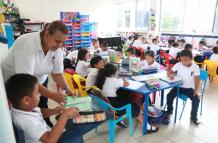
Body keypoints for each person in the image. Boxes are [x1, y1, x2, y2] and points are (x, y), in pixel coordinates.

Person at [1, 20, 74, 126]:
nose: (60, 45)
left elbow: (57, 73)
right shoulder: (28, 44)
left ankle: (46, 126)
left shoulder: (57, 49)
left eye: (63, 42)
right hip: (17, 83)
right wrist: (52, 95)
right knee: (25, 115)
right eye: (57, 41)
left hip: (38, 80)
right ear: (46, 34)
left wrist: (67, 90)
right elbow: (26, 81)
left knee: (41, 108)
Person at [6, 74, 112, 143]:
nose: (39, 95)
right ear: (26, 100)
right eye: (37, 93)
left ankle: (100, 115)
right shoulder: (26, 121)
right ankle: (106, 115)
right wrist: (65, 115)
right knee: (78, 127)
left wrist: (53, 111)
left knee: (74, 121)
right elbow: (50, 140)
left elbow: (40, 113)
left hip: (49, 134)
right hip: (52, 139)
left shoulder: (23, 108)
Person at [95, 63, 159, 133]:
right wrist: (124, 79)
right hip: (114, 108)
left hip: (106, 104)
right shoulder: (114, 81)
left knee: (125, 94)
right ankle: (147, 127)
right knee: (134, 106)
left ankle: (136, 113)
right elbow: (127, 84)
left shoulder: (101, 79)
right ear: (112, 73)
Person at [166, 50, 200, 125]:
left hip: (189, 89)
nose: (183, 62)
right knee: (169, 96)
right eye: (182, 60)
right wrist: (170, 76)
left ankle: (193, 116)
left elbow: (197, 79)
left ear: (191, 58)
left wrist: (196, 90)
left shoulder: (195, 67)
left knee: (196, 99)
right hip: (178, 86)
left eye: (186, 60)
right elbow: (169, 71)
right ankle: (169, 110)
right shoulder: (178, 64)